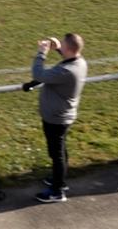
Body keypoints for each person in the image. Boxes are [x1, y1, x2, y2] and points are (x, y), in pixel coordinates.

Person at [31, 33, 87, 203]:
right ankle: (59, 179)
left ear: (69, 48)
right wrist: (58, 49)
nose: (60, 46)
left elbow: (39, 74)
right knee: (60, 151)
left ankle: (57, 191)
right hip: (63, 115)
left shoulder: (66, 71)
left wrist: (42, 52)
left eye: (63, 45)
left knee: (57, 154)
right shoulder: (80, 62)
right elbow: (67, 59)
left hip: (56, 117)